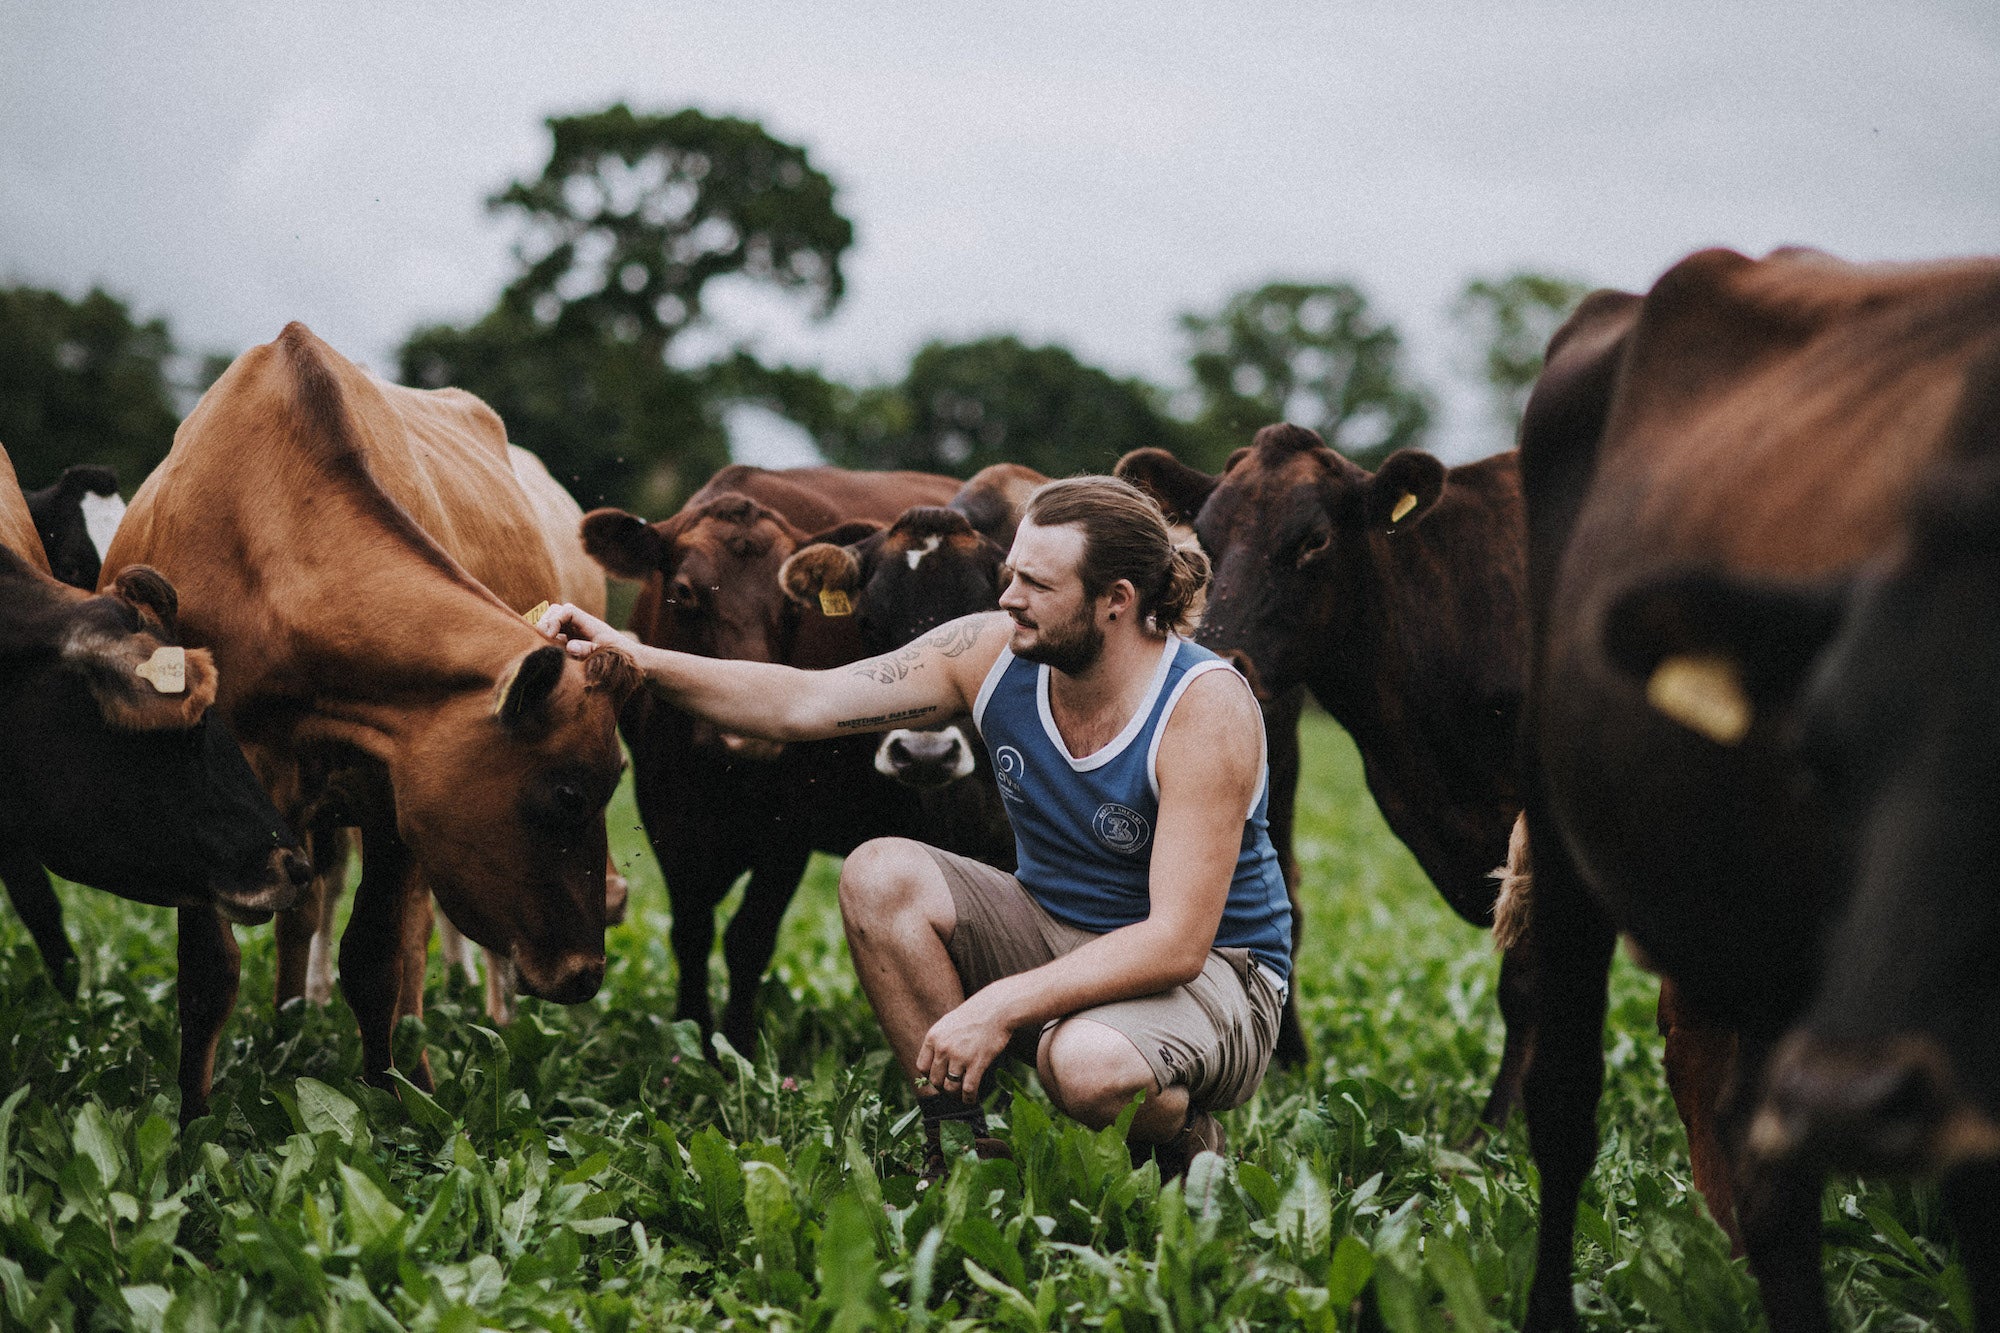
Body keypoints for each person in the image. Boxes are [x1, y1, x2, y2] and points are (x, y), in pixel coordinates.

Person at [539, 476, 1292, 1177]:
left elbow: (1176, 941)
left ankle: (1184, 1133)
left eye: (1036, 583)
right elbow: (802, 702)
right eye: (1011, 574)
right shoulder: (990, 654)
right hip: (1061, 928)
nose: (1009, 598)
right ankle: (962, 1147)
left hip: (1216, 976)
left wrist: (997, 1004)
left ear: (1115, 601)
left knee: (1084, 1067)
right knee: (879, 873)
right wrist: (631, 653)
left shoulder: (1203, 706)